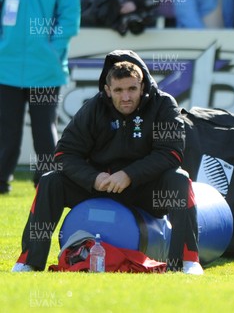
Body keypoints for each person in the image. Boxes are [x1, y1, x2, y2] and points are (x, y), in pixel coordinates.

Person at [12, 50, 203, 275]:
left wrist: (129, 175)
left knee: (179, 178)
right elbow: (63, 155)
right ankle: (29, 261)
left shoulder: (164, 105)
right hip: (100, 187)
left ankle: (187, 262)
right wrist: (94, 178)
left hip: (145, 190)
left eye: (132, 89)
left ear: (143, 87)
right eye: (119, 90)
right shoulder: (94, 108)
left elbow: (171, 154)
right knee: (50, 181)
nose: (126, 97)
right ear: (107, 89)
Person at [0, 0, 80, 194]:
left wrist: (53, 51)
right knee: (6, 131)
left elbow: (70, 16)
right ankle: (1, 182)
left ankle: (47, 185)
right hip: (5, 65)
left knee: (44, 133)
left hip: (46, 68)